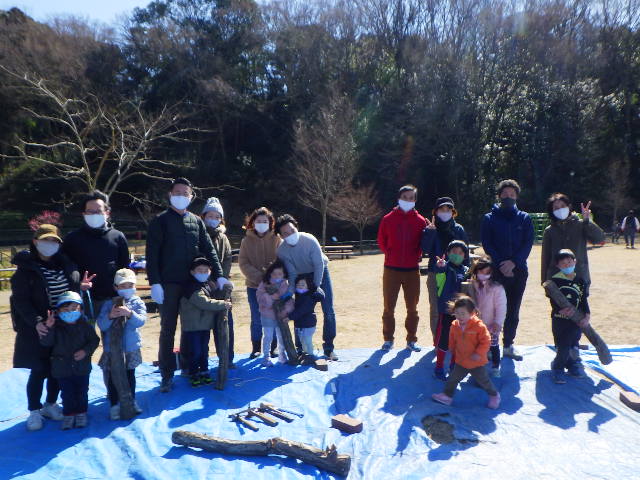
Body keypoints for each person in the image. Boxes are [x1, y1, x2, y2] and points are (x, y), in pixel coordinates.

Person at [146, 177, 226, 393]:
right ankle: (167, 374)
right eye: (177, 192)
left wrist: (219, 275)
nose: (181, 196)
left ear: (191, 197)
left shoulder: (196, 221)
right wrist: (155, 283)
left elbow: (209, 249)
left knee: (193, 327)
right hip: (169, 284)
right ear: (170, 194)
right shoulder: (160, 221)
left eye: (185, 193)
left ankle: (190, 367)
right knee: (168, 329)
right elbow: (152, 255)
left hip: (193, 284)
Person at [10, 223, 85, 431]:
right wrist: (37, 322)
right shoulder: (25, 270)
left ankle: (50, 404)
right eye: (45, 240)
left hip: (63, 326)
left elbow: (71, 289)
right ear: (35, 242)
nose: (50, 244)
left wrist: (80, 287)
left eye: (54, 241)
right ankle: (34, 411)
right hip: (38, 327)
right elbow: (21, 301)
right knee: (39, 369)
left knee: (58, 368)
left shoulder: (65, 264)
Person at [481, 179, 533, 361]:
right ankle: (490, 345)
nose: (508, 197)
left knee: (513, 310)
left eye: (512, 194)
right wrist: (502, 263)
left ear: (516, 196)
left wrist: (514, 263)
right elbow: (487, 243)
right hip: (496, 271)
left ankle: (509, 345)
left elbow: (527, 243)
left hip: (519, 271)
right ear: (499, 196)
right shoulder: (489, 218)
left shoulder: (524, 218)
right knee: (492, 310)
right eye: (505, 194)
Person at [275, 214, 338, 360]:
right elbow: (291, 273)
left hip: (320, 272)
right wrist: (290, 292)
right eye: (285, 233)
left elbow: (319, 264)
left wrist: (316, 287)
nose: (290, 234)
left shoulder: (309, 239)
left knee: (328, 310)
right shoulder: (282, 251)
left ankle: (329, 348)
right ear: (281, 236)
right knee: (300, 311)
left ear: (296, 228)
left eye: (292, 230)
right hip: (300, 277)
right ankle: (301, 349)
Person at [62, 190, 130, 321]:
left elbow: (125, 269)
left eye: (98, 211)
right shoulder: (72, 238)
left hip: (113, 298)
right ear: (83, 214)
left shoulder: (118, 237)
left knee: (116, 334)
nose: (94, 214)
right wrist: (77, 284)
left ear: (107, 213)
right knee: (85, 334)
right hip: (82, 298)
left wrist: (125, 291)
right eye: (90, 211)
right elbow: (65, 266)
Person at [377, 185, 427, 352]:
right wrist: (390, 254)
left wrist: (416, 256)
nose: (408, 200)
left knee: (412, 308)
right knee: (388, 307)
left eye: (411, 198)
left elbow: (423, 243)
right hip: (391, 269)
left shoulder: (421, 221)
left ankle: (411, 340)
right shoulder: (387, 219)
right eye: (405, 197)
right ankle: (388, 340)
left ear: (415, 200)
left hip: (412, 270)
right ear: (399, 198)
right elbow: (381, 240)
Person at [39, 291, 100, 430]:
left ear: (81, 310)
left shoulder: (85, 325)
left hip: (82, 367)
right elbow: (46, 343)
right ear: (58, 311)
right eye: (65, 310)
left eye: (74, 309)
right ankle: (68, 414)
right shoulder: (55, 326)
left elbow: (94, 340)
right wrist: (49, 328)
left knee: (82, 392)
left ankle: (81, 413)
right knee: (67, 393)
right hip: (62, 369)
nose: (70, 312)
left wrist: (85, 351)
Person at [431, 295, 501, 409]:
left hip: (476, 363)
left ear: (472, 313)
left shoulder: (479, 326)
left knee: (484, 381)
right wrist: (452, 348)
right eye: (457, 313)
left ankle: (494, 395)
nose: (460, 316)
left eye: (463, 313)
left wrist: (478, 353)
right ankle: (447, 396)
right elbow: (452, 339)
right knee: (453, 379)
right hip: (461, 361)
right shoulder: (454, 325)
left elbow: (486, 341)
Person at [97, 268, 146, 420]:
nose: (127, 289)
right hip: (112, 349)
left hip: (130, 348)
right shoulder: (108, 304)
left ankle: (131, 401)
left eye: (130, 285)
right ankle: (114, 404)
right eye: (123, 286)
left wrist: (130, 314)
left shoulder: (137, 302)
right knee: (113, 377)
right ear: (116, 287)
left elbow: (141, 321)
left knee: (130, 375)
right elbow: (102, 325)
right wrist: (110, 316)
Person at [179, 257, 232, 386]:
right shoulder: (190, 287)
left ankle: (204, 371)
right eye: (199, 270)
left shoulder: (207, 285)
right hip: (193, 327)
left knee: (204, 350)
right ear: (192, 272)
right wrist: (223, 304)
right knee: (195, 351)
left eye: (206, 271)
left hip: (204, 325)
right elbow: (204, 302)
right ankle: (193, 373)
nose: (203, 273)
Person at [421, 197, 468, 342]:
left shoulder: (458, 229)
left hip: (456, 274)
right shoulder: (431, 229)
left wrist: (467, 273)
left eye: (448, 209)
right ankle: (438, 341)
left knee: (459, 307)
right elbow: (425, 249)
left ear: (453, 212)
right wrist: (430, 233)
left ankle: (457, 340)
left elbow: (465, 253)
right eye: (442, 209)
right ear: (435, 212)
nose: (445, 212)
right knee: (436, 308)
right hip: (435, 272)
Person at [238, 207, 281, 358]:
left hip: (274, 286)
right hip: (253, 286)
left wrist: (273, 277)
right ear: (252, 223)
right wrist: (260, 277)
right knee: (256, 318)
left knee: (273, 316)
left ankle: (273, 347)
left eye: (265, 221)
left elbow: (282, 259)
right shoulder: (246, 241)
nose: (262, 224)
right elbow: (243, 263)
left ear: (270, 223)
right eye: (258, 221)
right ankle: (256, 348)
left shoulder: (277, 239)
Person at [541, 193, 604, 293]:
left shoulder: (580, 225)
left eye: (563, 206)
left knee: (581, 303)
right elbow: (545, 258)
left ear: (569, 207)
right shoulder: (549, 231)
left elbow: (599, 239)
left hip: (579, 277)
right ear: (551, 211)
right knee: (558, 304)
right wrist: (545, 282)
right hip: (555, 279)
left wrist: (587, 221)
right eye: (556, 208)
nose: (560, 210)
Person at [546, 249, 591, 384]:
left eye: (569, 262)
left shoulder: (580, 281)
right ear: (558, 266)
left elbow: (583, 299)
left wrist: (587, 314)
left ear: (574, 262)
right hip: (559, 319)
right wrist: (560, 309)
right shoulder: (554, 281)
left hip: (576, 319)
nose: (567, 265)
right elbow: (553, 299)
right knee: (563, 345)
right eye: (563, 264)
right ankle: (558, 368)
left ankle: (571, 365)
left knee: (573, 344)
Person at [201, 197, 235, 367]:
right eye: (210, 216)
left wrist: (222, 278)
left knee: (225, 323)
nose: (213, 219)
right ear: (204, 216)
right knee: (203, 326)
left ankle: (227, 358)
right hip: (203, 286)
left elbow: (227, 258)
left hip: (221, 286)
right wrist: (207, 280)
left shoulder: (223, 237)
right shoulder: (199, 234)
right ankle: (201, 362)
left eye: (217, 216)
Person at [432, 240, 469, 380]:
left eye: (460, 253)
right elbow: (439, 271)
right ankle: (439, 367)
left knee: (459, 341)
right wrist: (440, 266)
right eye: (454, 252)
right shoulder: (445, 267)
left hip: (462, 314)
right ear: (447, 253)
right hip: (447, 311)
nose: (457, 255)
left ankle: (454, 365)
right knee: (444, 340)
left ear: (464, 256)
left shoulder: (466, 271)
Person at [468, 256, 506, 377]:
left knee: (493, 346)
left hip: (492, 325)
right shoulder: (472, 285)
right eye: (481, 271)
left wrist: (498, 322)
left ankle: (495, 367)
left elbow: (501, 307)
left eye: (487, 272)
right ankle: (478, 367)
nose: (484, 275)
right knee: (477, 346)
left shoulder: (497, 288)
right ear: (476, 271)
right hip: (477, 325)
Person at [256, 259, 294, 367]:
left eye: (279, 274)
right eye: (274, 274)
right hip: (267, 315)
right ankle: (266, 357)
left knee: (281, 336)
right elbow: (259, 296)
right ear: (270, 273)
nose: (277, 276)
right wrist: (271, 298)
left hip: (281, 316)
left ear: (284, 274)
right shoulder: (264, 283)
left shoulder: (285, 284)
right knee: (268, 336)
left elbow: (289, 300)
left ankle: (282, 355)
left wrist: (286, 311)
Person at [289, 275, 325, 361]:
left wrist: (289, 317)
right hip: (301, 324)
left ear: (308, 286)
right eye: (298, 285)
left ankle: (311, 355)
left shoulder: (309, 297)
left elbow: (301, 310)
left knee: (307, 340)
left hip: (308, 324)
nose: (300, 286)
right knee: (302, 341)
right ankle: (306, 354)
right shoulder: (300, 296)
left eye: (302, 285)